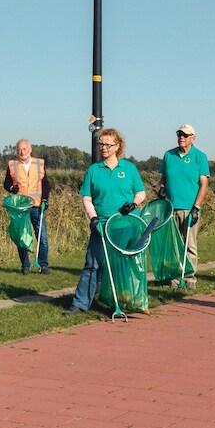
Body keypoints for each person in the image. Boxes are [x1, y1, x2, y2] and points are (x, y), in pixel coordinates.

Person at [64, 128, 147, 316]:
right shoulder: (94, 170)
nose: (103, 148)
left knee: (122, 265)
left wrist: (133, 205)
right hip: (101, 225)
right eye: (101, 144)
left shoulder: (129, 168)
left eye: (108, 144)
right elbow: (87, 197)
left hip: (125, 225)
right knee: (92, 264)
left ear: (117, 146)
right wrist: (92, 217)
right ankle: (80, 303)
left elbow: (140, 193)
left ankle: (123, 301)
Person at [157, 124, 210, 287]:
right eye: (179, 134)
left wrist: (196, 208)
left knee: (189, 244)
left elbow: (204, 185)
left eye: (185, 135)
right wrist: (161, 189)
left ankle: (189, 277)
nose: (181, 137)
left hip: (189, 208)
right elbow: (163, 178)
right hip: (170, 207)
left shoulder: (199, 157)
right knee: (173, 244)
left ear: (193, 138)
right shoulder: (169, 155)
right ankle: (173, 276)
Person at [3, 139, 51, 275]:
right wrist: (12, 188)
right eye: (19, 149)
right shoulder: (12, 165)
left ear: (30, 149)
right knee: (22, 237)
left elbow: (46, 184)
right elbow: (6, 183)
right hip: (21, 207)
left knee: (42, 237)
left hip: (36, 205)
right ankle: (25, 266)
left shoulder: (39, 163)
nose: (21, 152)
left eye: (24, 149)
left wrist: (45, 200)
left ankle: (43, 265)